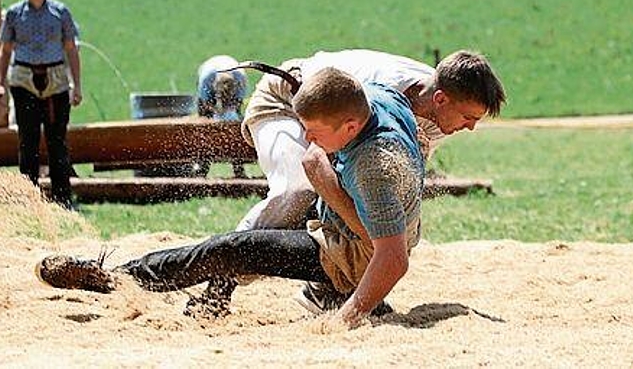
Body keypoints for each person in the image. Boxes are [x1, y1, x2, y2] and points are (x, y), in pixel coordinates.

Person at [36, 67, 425, 328]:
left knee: (232, 249)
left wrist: (348, 318)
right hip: (355, 224)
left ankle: (112, 278)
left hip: (351, 255)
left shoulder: (375, 166)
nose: (307, 139)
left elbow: (389, 256)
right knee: (291, 199)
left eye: (315, 131)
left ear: (352, 124)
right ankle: (221, 298)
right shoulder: (381, 97)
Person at [235, 49, 506, 232]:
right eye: (468, 117)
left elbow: (399, 188)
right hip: (287, 99)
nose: (470, 128)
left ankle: (329, 289)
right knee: (297, 192)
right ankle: (224, 266)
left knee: (368, 203)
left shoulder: (439, 121)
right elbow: (316, 159)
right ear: (440, 99)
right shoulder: (372, 90)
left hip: (334, 121)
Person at [0, 0, 82, 209]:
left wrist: (77, 84)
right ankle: (29, 199)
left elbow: (71, 49)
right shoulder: (13, 14)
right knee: (28, 140)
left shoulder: (60, 12)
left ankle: (63, 197)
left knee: (57, 140)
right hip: (23, 79)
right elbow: (5, 51)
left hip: (55, 78)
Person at [196, 55, 248, 178]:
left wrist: (230, 111)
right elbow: (204, 103)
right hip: (208, 70)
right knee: (204, 129)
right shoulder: (206, 80)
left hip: (231, 72)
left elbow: (239, 102)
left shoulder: (240, 79)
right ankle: (202, 167)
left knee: (236, 129)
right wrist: (216, 112)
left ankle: (238, 167)